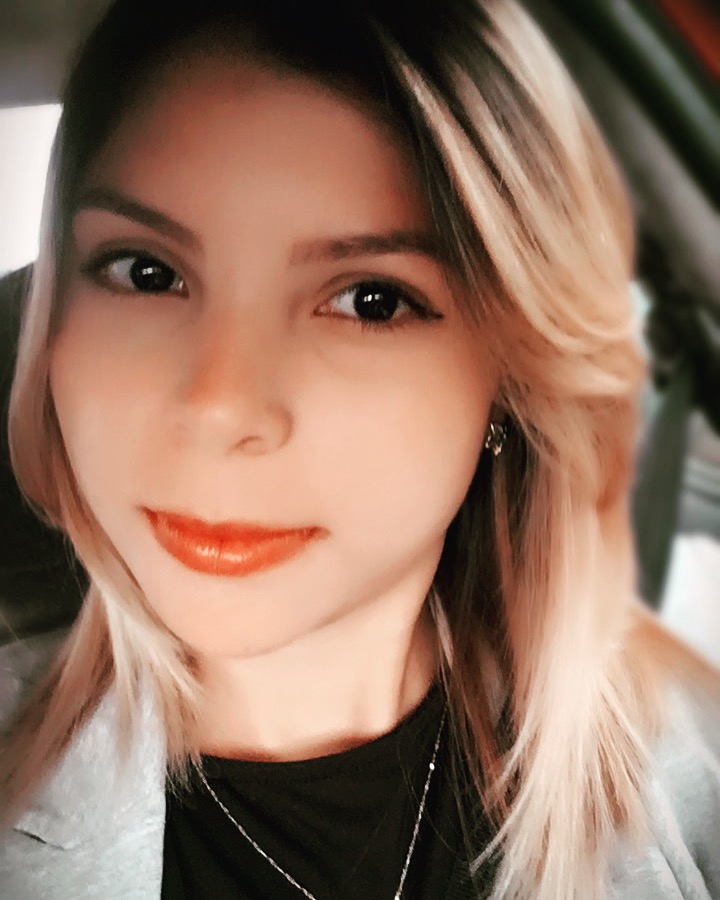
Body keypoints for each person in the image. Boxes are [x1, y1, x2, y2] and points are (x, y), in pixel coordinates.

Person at [0, 0, 718, 898]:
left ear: (511, 370)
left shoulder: (690, 763)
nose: (220, 407)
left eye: (370, 300)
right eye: (147, 273)